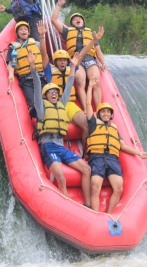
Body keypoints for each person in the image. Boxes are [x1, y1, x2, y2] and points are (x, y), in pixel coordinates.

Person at [29, 48, 92, 208]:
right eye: (50, 92)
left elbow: (70, 82)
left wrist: (73, 66)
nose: (54, 94)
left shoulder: (62, 104)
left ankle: (89, 205)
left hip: (61, 147)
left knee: (86, 169)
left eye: (55, 92)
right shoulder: (41, 106)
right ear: (45, 96)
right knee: (61, 178)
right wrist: (32, 66)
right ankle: (69, 207)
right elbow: (37, 85)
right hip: (48, 147)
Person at [85, 77, 147, 213]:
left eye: (108, 112)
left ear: (111, 115)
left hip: (112, 159)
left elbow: (123, 146)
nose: (106, 114)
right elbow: (88, 105)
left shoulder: (114, 128)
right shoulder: (93, 124)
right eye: (103, 112)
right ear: (99, 114)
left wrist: (139, 153)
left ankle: (109, 215)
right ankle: (95, 215)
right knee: (95, 185)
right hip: (97, 157)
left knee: (119, 187)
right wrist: (90, 86)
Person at [43, 26, 105, 153]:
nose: (62, 63)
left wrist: (94, 40)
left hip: (69, 104)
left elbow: (82, 53)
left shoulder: (72, 68)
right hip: (55, 104)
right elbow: (44, 54)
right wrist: (41, 36)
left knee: (88, 125)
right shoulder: (49, 71)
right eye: (59, 61)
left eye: (64, 60)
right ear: (55, 61)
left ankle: (86, 153)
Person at [50, 0, 107, 114]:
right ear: (71, 23)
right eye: (74, 18)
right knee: (81, 81)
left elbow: (99, 51)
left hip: (90, 59)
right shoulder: (67, 32)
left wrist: (103, 63)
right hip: (76, 61)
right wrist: (59, 5)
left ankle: (99, 110)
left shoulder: (92, 34)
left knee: (96, 82)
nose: (77, 19)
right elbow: (54, 20)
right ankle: (86, 109)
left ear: (83, 21)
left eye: (79, 18)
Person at [6, 20, 49, 118]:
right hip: (26, 80)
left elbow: (43, 51)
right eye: (20, 29)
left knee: (46, 101)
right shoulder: (13, 47)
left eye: (25, 29)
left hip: (39, 77)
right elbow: (12, 62)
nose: (23, 31)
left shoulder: (35, 43)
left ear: (29, 32)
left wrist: (41, 35)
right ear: (17, 33)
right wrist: (11, 74)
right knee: (34, 104)